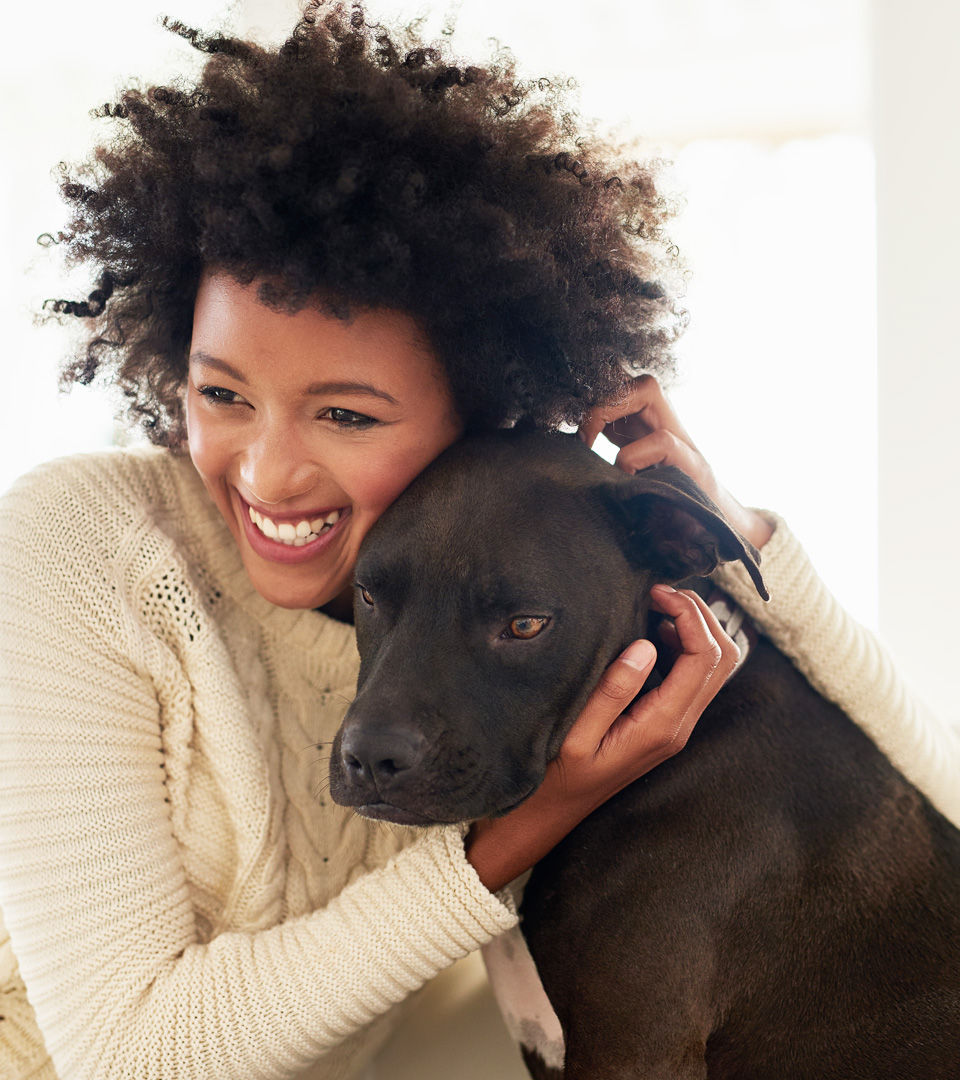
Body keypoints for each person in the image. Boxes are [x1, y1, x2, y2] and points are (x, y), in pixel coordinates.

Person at [0, 4, 957, 1078]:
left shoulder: (550, 572)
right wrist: (534, 821)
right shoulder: (85, 542)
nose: (266, 473)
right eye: (220, 393)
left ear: (485, 414)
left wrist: (736, 535)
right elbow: (128, 1053)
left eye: (346, 414)